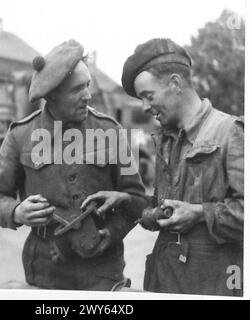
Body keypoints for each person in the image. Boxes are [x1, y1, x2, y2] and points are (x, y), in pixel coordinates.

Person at [0, 39, 147, 291]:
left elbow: (136, 201)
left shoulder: (109, 131)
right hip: (47, 269)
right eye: (77, 89)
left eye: (88, 85)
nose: (87, 96)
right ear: (52, 95)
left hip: (103, 269)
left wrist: (111, 233)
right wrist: (16, 211)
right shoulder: (20, 135)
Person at [82, 38, 244, 296]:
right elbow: (162, 208)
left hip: (210, 286)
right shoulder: (166, 139)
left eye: (148, 96)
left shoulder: (231, 133)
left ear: (175, 83)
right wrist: (125, 200)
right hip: (164, 281)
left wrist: (200, 213)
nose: (145, 107)